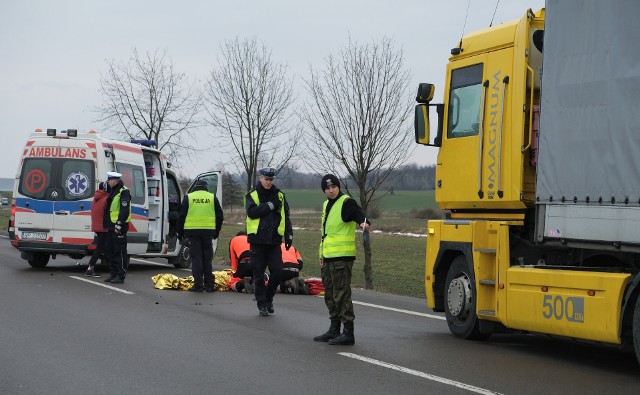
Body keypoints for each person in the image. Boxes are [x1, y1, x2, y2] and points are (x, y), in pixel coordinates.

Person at [314, 174, 370, 345]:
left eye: (334, 187)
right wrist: (322, 255)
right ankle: (334, 329)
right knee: (330, 294)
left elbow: (358, 214)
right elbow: (326, 234)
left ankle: (348, 332)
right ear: (324, 190)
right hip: (328, 257)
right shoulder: (326, 204)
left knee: (341, 294)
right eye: (327, 188)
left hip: (342, 258)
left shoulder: (346, 202)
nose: (331, 190)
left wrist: (363, 223)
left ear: (338, 187)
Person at [245, 167, 293, 316]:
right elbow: (252, 213)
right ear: (260, 178)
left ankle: (269, 298)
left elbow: (286, 216)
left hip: (273, 241)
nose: (268, 182)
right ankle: (261, 304)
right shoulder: (252, 195)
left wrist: (289, 235)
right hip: (257, 241)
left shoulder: (280, 195)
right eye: (266, 179)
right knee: (258, 274)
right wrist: (270, 206)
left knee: (278, 272)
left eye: (271, 179)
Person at [177, 179, 224, 293]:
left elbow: (181, 216)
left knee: (196, 259)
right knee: (207, 258)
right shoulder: (212, 197)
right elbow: (220, 216)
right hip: (208, 233)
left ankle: (198, 286)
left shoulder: (189, 197)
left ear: (195, 187)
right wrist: (216, 232)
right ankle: (210, 286)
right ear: (206, 187)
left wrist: (180, 233)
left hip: (192, 233)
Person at [103, 172, 131, 284]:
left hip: (119, 226)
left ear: (114, 181)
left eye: (109, 180)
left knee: (119, 251)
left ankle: (120, 275)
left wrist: (119, 224)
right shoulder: (113, 191)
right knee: (110, 250)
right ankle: (113, 273)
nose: (108, 182)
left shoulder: (123, 191)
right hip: (111, 226)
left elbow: (124, 210)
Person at [85, 181, 110, 277]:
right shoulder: (106, 199)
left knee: (103, 247)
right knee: (100, 248)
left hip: (97, 226)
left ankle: (109, 267)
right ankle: (90, 268)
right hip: (103, 227)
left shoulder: (96, 198)